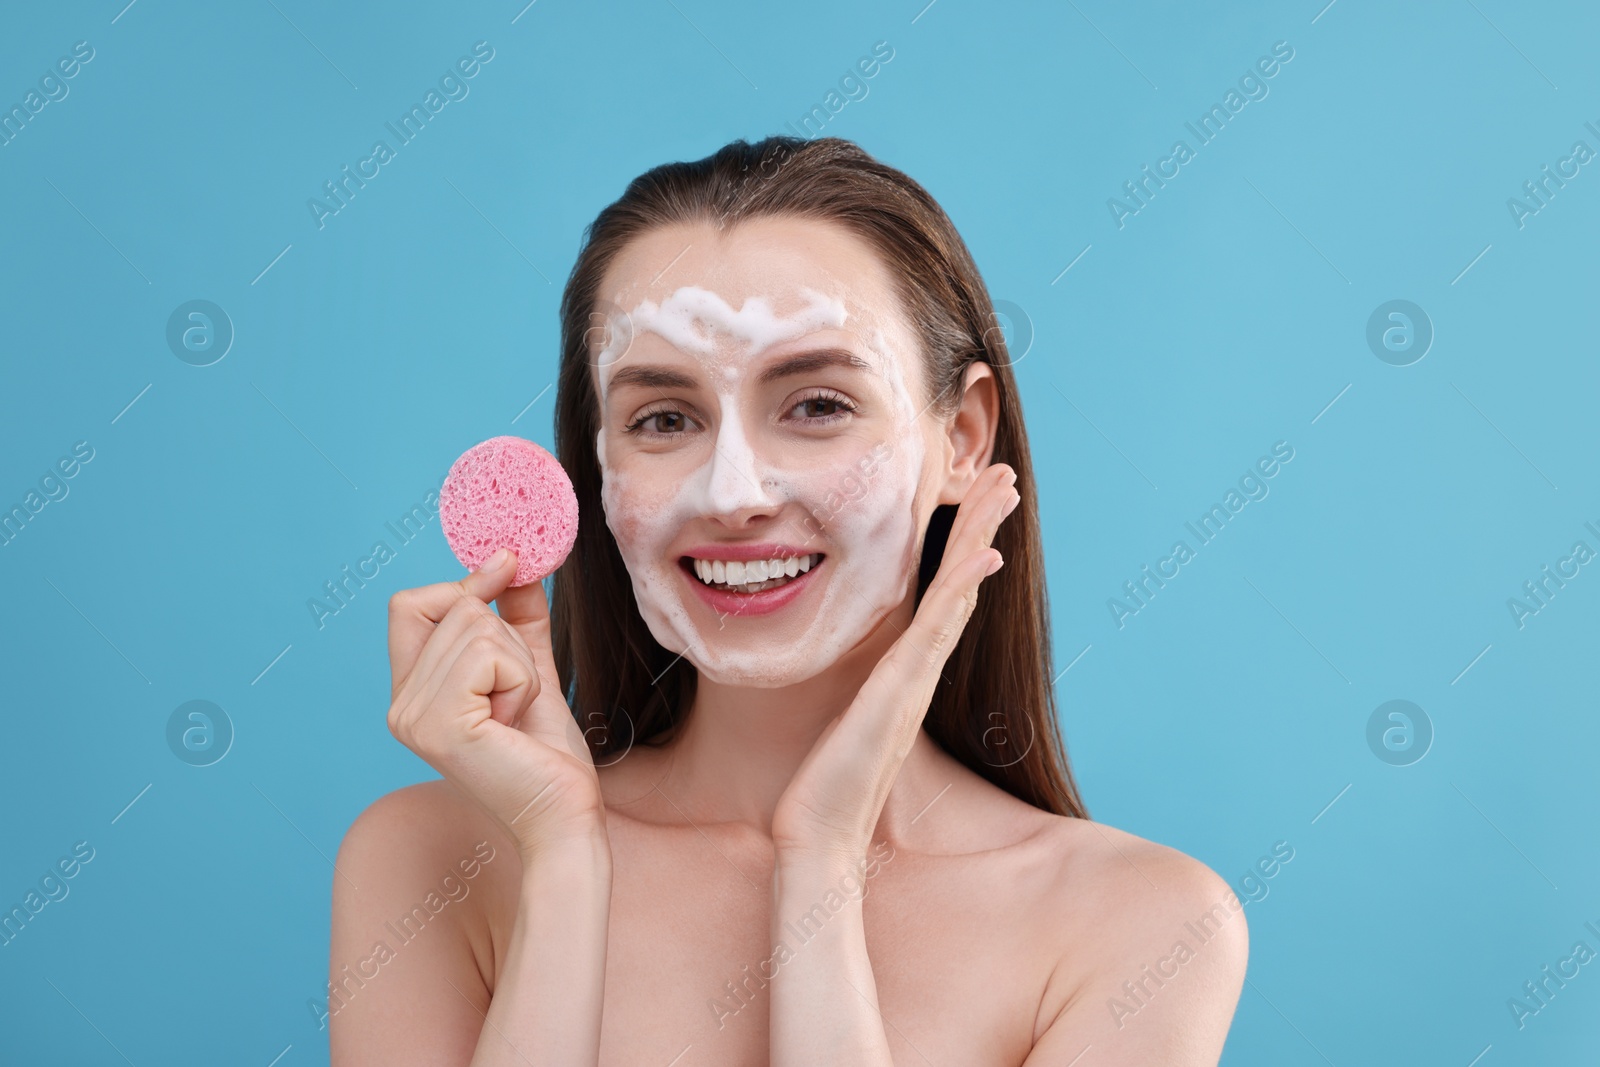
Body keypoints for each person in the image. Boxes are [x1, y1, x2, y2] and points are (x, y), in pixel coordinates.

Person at [330, 136, 1247, 1065]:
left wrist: (821, 862)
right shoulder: (431, 862)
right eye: (664, 419)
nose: (733, 493)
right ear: (597, 469)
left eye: (816, 405)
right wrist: (564, 860)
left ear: (962, 438)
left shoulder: (1144, 925)